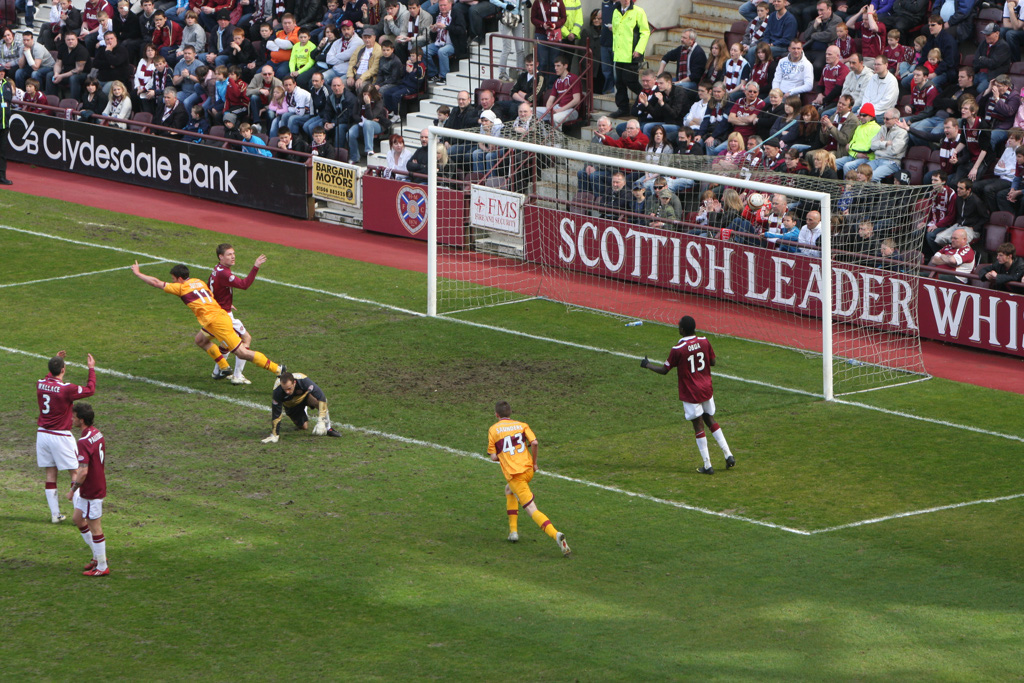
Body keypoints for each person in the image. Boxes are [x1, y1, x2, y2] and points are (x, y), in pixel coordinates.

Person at [130, 262, 285, 378]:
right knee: (200, 340)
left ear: (179, 278)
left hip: (217, 321)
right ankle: (224, 367)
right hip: (214, 318)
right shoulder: (199, 282)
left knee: (242, 352)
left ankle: (278, 369)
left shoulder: (181, 287)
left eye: (173, 279)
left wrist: (138, 273)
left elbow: (156, 282)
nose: (173, 282)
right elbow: (210, 297)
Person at [640, 315, 735, 474]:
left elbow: (664, 371)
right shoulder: (704, 341)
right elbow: (712, 362)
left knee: (698, 425)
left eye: (679, 326)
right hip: (706, 388)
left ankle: (707, 465)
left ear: (683, 330)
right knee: (709, 418)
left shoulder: (678, 349)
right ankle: (728, 455)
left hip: (691, 391)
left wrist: (647, 365)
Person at [486, 400, 571, 556]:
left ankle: (556, 535)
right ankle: (513, 532)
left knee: (532, 509)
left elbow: (492, 457)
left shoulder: (493, 430)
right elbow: (535, 442)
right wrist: (535, 462)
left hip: (515, 475)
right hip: (528, 469)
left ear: (496, 414)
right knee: (508, 490)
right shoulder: (522, 425)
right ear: (510, 413)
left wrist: (503, 455)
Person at [36, 350, 96, 523]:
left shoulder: (40, 384)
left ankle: (55, 515)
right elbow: (90, 390)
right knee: (75, 473)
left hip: (42, 436)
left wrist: (57, 361)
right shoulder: (66, 389)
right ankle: (81, 516)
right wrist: (91, 369)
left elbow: (50, 376)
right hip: (60, 436)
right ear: (63, 370)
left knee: (50, 474)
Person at [205, 244, 267, 384]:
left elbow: (210, 288)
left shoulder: (216, 269)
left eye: (233, 253)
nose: (233, 257)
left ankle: (217, 371)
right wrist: (256, 266)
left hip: (218, 311)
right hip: (224, 316)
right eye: (229, 254)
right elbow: (244, 284)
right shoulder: (224, 273)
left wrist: (224, 302)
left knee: (226, 343)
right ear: (221, 257)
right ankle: (237, 376)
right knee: (246, 339)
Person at [68, 403, 110, 577]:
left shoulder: (83, 441)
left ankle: (102, 565)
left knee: (95, 526)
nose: (72, 419)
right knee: (78, 518)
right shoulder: (96, 433)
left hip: (92, 489)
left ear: (81, 420)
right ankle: (96, 556)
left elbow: (83, 470)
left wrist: (73, 489)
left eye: (74, 416)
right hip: (94, 485)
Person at [261, 372, 343, 442]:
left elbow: (322, 397)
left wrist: (322, 420)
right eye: (284, 389)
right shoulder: (277, 391)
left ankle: (329, 428)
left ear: (294, 383)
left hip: (305, 397)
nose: (287, 392)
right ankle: (303, 410)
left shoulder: (303, 380)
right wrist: (275, 435)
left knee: (319, 403)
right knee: (304, 427)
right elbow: (276, 414)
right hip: (291, 405)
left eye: (289, 388)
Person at [609, 0, 649, 119]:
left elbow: (645, 32)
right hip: (619, 53)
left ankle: (647, 98)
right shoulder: (615, 11)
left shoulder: (638, 11)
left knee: (630, 81)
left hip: (632, 54)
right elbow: (616, 32)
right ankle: (623, 108)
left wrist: (639, 49)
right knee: (619, 82)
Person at [0, 64, 12, 186]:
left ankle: (2, 176)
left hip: (4, 123)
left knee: (2, 153)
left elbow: (9, 100)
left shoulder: (7, 84)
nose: (2, 73)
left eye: (3, 71)